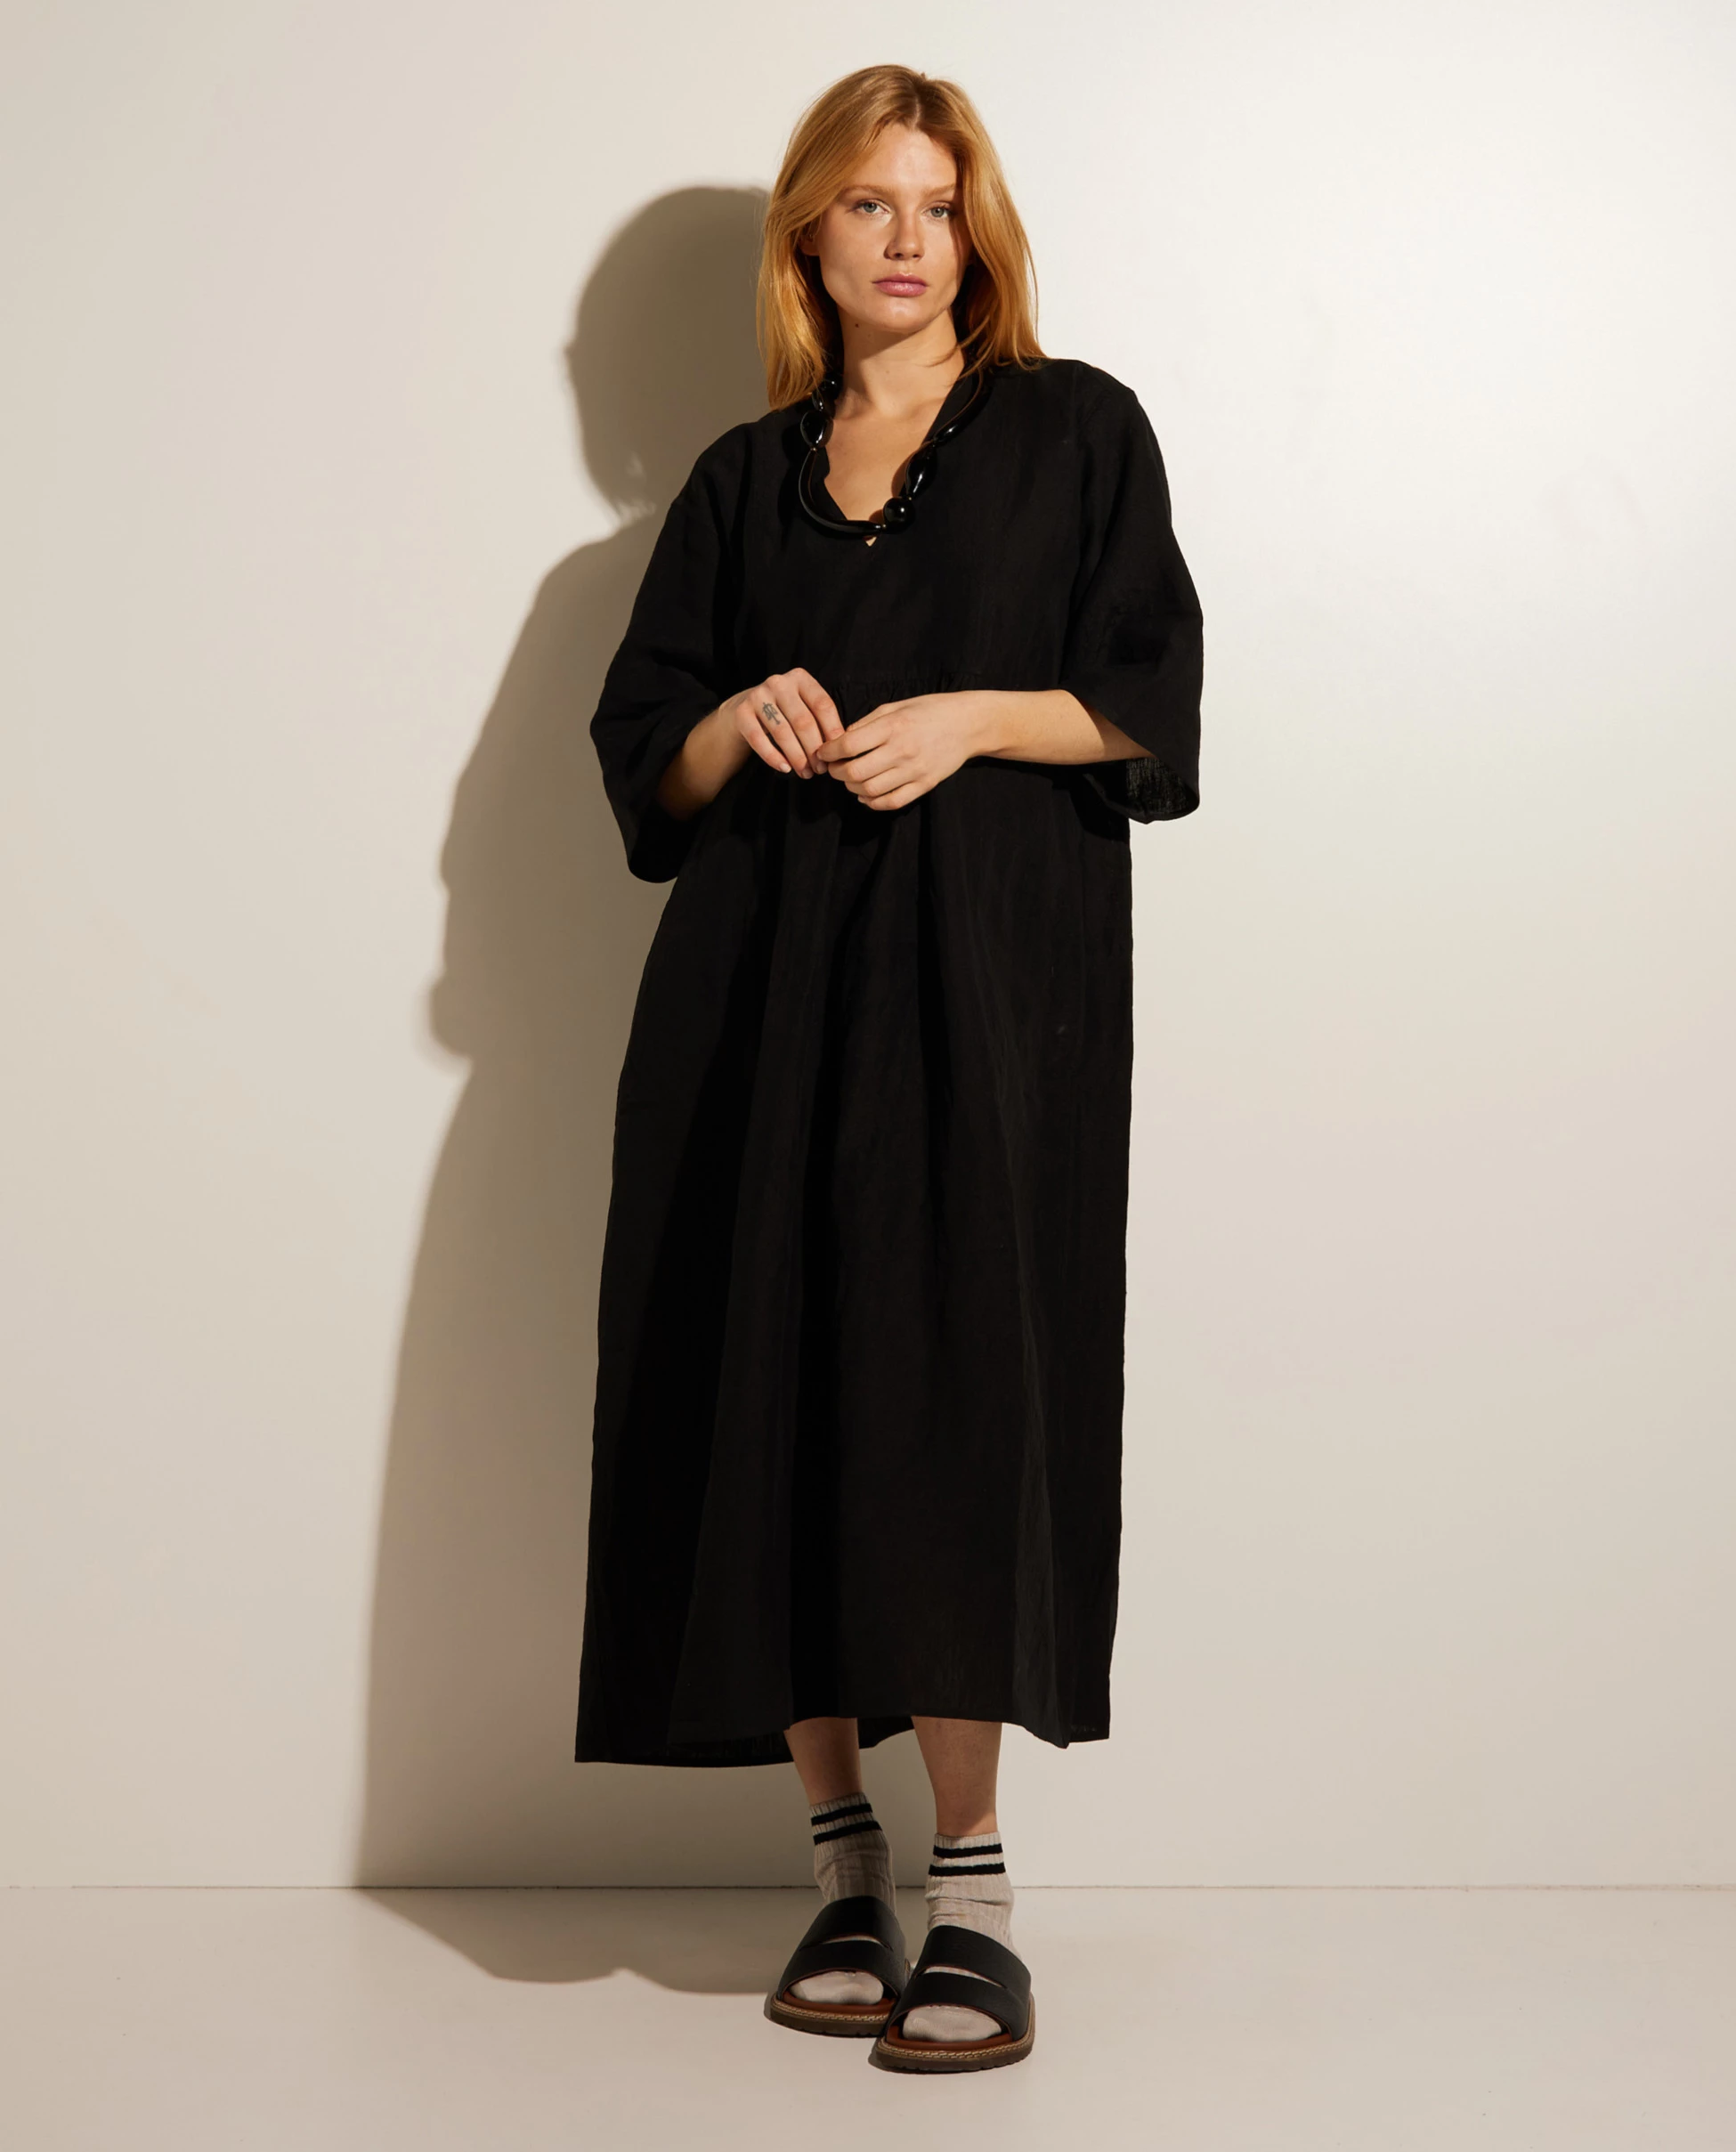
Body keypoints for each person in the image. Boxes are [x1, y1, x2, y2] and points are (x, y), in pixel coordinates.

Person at [576, 63, 1204, 2075]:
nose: (909, 237)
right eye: (869, 204)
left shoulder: (1077, 431)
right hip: (759, 988)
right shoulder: (743, 480)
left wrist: (970, 720)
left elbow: (1151, 700)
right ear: (811, 238)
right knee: (770, 1381)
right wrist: (735, 715)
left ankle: (977, 1888)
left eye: (938, 202)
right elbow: (646, 757)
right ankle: (841, 1864)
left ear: (978, 230)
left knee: (953, 1396)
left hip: (984, 994)